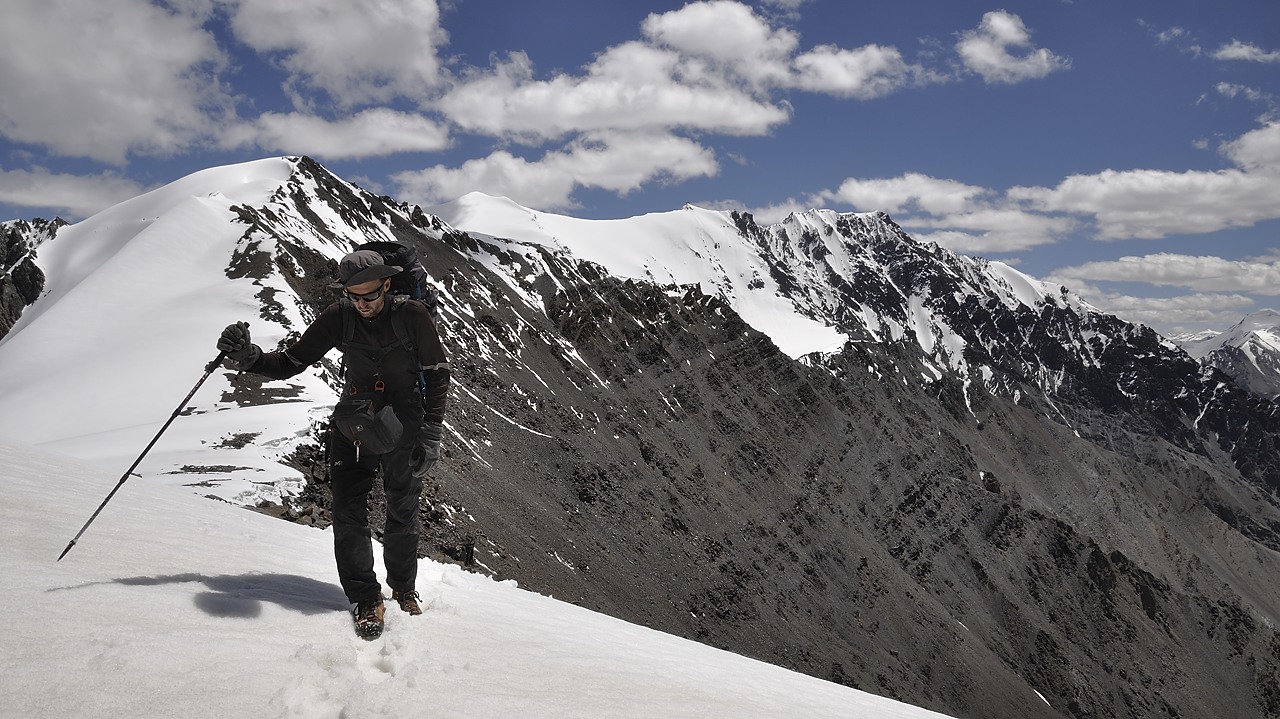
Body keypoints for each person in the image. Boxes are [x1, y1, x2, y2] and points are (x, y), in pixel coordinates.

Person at [216, 249, 449, 639]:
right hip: (355, 423)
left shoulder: (413, 316)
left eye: (369, 296)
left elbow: (437, 373)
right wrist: (251, 358)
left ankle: (404, 588)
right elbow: (291, 362)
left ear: (387, 284)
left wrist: (432, 432)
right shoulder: (338, 317)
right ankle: (364, 597)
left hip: (405, 423)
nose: (362, 305)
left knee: (402, 509)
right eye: (354, 297)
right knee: (347, 510)